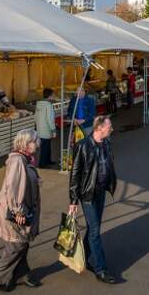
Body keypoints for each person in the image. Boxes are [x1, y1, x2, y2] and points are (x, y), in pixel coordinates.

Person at [0, 129, 43, 291]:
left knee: (23, 243)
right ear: (25, 143)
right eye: (35, 142)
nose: (37, 145)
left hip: (24, 208)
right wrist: (18, 211)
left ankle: (22, 273)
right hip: (14, 211)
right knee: (16, 245)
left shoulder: (26, 159)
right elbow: (12, 188)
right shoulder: (17, 161)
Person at [68, 116, 117, 284]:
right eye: (109, 126)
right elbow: (75, 175)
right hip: (87, 194)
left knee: (92, 228)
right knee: (95, 230)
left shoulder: (106, 143)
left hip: (101, 192)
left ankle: (83, 258)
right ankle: (101, 269)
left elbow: (108, 165)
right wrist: (73, 201)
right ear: (99, 128)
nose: (111, 128)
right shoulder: (82, 146)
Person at [35, 88, 56, 168]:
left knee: (46, 146)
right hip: (46, 129)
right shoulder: (48, 105)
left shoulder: (39, 104)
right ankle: (42, 164)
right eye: (53, 94)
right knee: (45, 147)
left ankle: (48, 161)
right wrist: (53, 130)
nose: (54, 96)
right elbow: (50, 119)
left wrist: (38, 126)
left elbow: (35, 117)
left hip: (40, 128)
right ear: (50, 96)